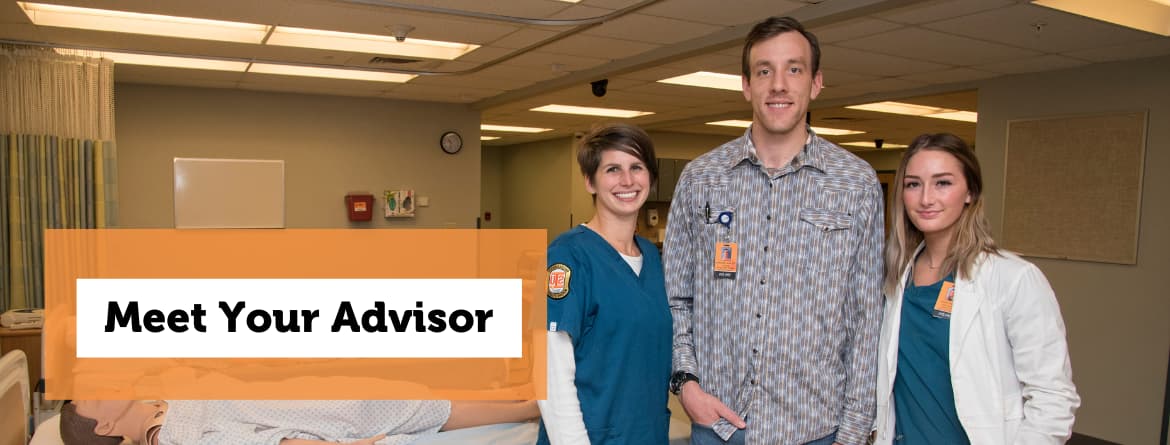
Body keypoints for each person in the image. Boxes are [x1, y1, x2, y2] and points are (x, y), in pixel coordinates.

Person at [664, 16, 884, 445]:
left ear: (816, 82)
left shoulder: (855, 184)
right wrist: (686, 385)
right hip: (719, 424)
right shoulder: (701, 179)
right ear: (746, 85)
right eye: (764, 70)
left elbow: (865, 317)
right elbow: (678, 298)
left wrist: (854, 431)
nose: (778, 84)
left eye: (794, 69)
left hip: (817, 429)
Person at [873, 133, 1079, 444]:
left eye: (943, 183)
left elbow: (1053, 397)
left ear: (970, 191)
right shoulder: (894, 277)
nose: (926, 198)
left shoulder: (1013, 279)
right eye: (913, 184)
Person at [538, 123, 672, 444]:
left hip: (646, 433)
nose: (627, 180)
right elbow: (551, 373)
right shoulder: (567, 255)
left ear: (650, 178)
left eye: (636, 167)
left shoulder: (653, 260)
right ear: (590, 181)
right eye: (612, 169)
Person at [60, 399, 538, 445]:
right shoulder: (174, 434)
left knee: (432, 401)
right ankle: (531, 409)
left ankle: (528, 402)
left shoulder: (166, 403)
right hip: (332, 415)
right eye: (92, 399)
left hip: (314, 394)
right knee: (432, 409)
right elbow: (265, 444)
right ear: (105, 428)